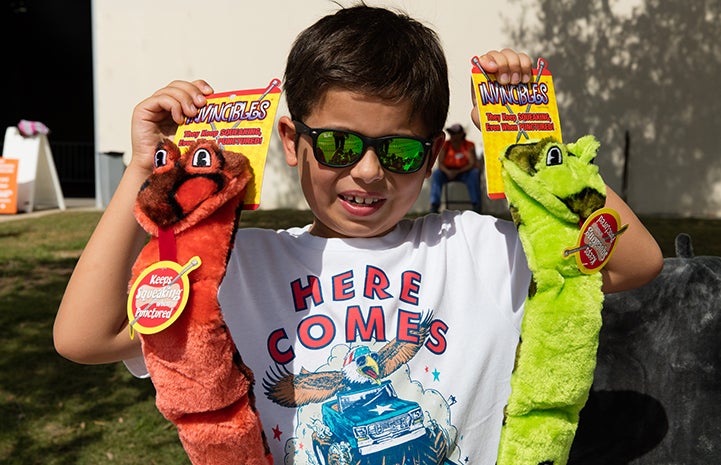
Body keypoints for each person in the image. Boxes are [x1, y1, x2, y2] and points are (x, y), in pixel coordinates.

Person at [53, 5, 663, 465]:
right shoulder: (239, 270)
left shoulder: (482, 249)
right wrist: (143, 171)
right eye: (340, 144)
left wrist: (531, 142)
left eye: (399, 151)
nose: (368, 171)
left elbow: (633, 260)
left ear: (431, 159)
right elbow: (86, 335)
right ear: (292, 142)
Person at [429, 123, 482, 213]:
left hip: (465, 172)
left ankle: (476, 205)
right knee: (437, 174)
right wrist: (448, 172)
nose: (452, 136)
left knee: (474, 173)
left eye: (455, 133)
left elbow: (472, 163)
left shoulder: (469, 145)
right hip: (447, 172)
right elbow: (440, 164)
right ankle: (434, 205)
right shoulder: (445, 145)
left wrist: (457, 172)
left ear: (461, 134)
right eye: (451, 133)